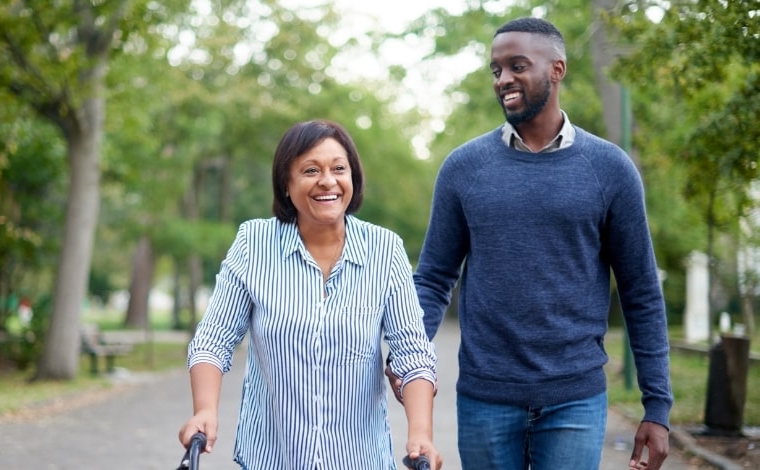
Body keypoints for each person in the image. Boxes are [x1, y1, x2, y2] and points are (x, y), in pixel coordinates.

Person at [387, 17, 673, 470]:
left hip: (575, 399)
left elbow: (640, 292)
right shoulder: (463, 168)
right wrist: (410, 354)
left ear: (557, 69)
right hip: (485, 397)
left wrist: (657, 406)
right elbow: (435, 277)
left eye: (517, 66)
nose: (503, 80)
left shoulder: (610, 169)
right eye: (496, 70)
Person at [177, 119, 443, 469]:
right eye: (310, 170)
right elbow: (213, 340)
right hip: (273, 458)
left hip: (359, 459)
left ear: (353, 179)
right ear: (286, 184)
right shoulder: (253, 244)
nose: (328, 181)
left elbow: (413, 353)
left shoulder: (385, 249)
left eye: (338, 168)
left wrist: (420, 433)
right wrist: (204, 411)